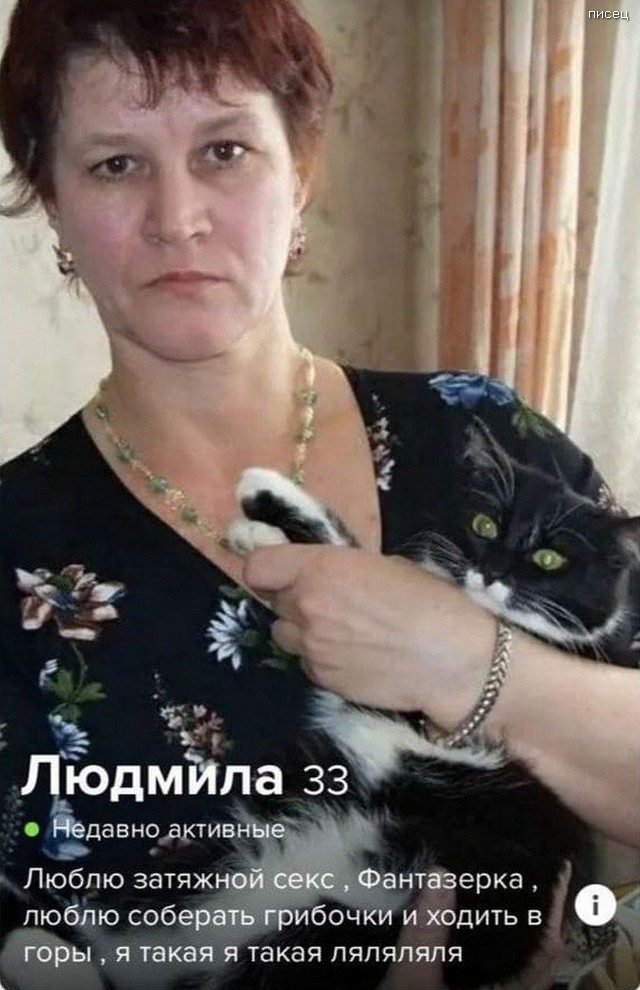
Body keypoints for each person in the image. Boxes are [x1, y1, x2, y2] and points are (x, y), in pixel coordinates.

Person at [0, 1, 637, 989]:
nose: (177, 218)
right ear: (54, 203)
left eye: (224, 151)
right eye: (116, 165)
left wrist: (475, 665)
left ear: (299, 172)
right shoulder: (16, 546)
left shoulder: (480, 440)